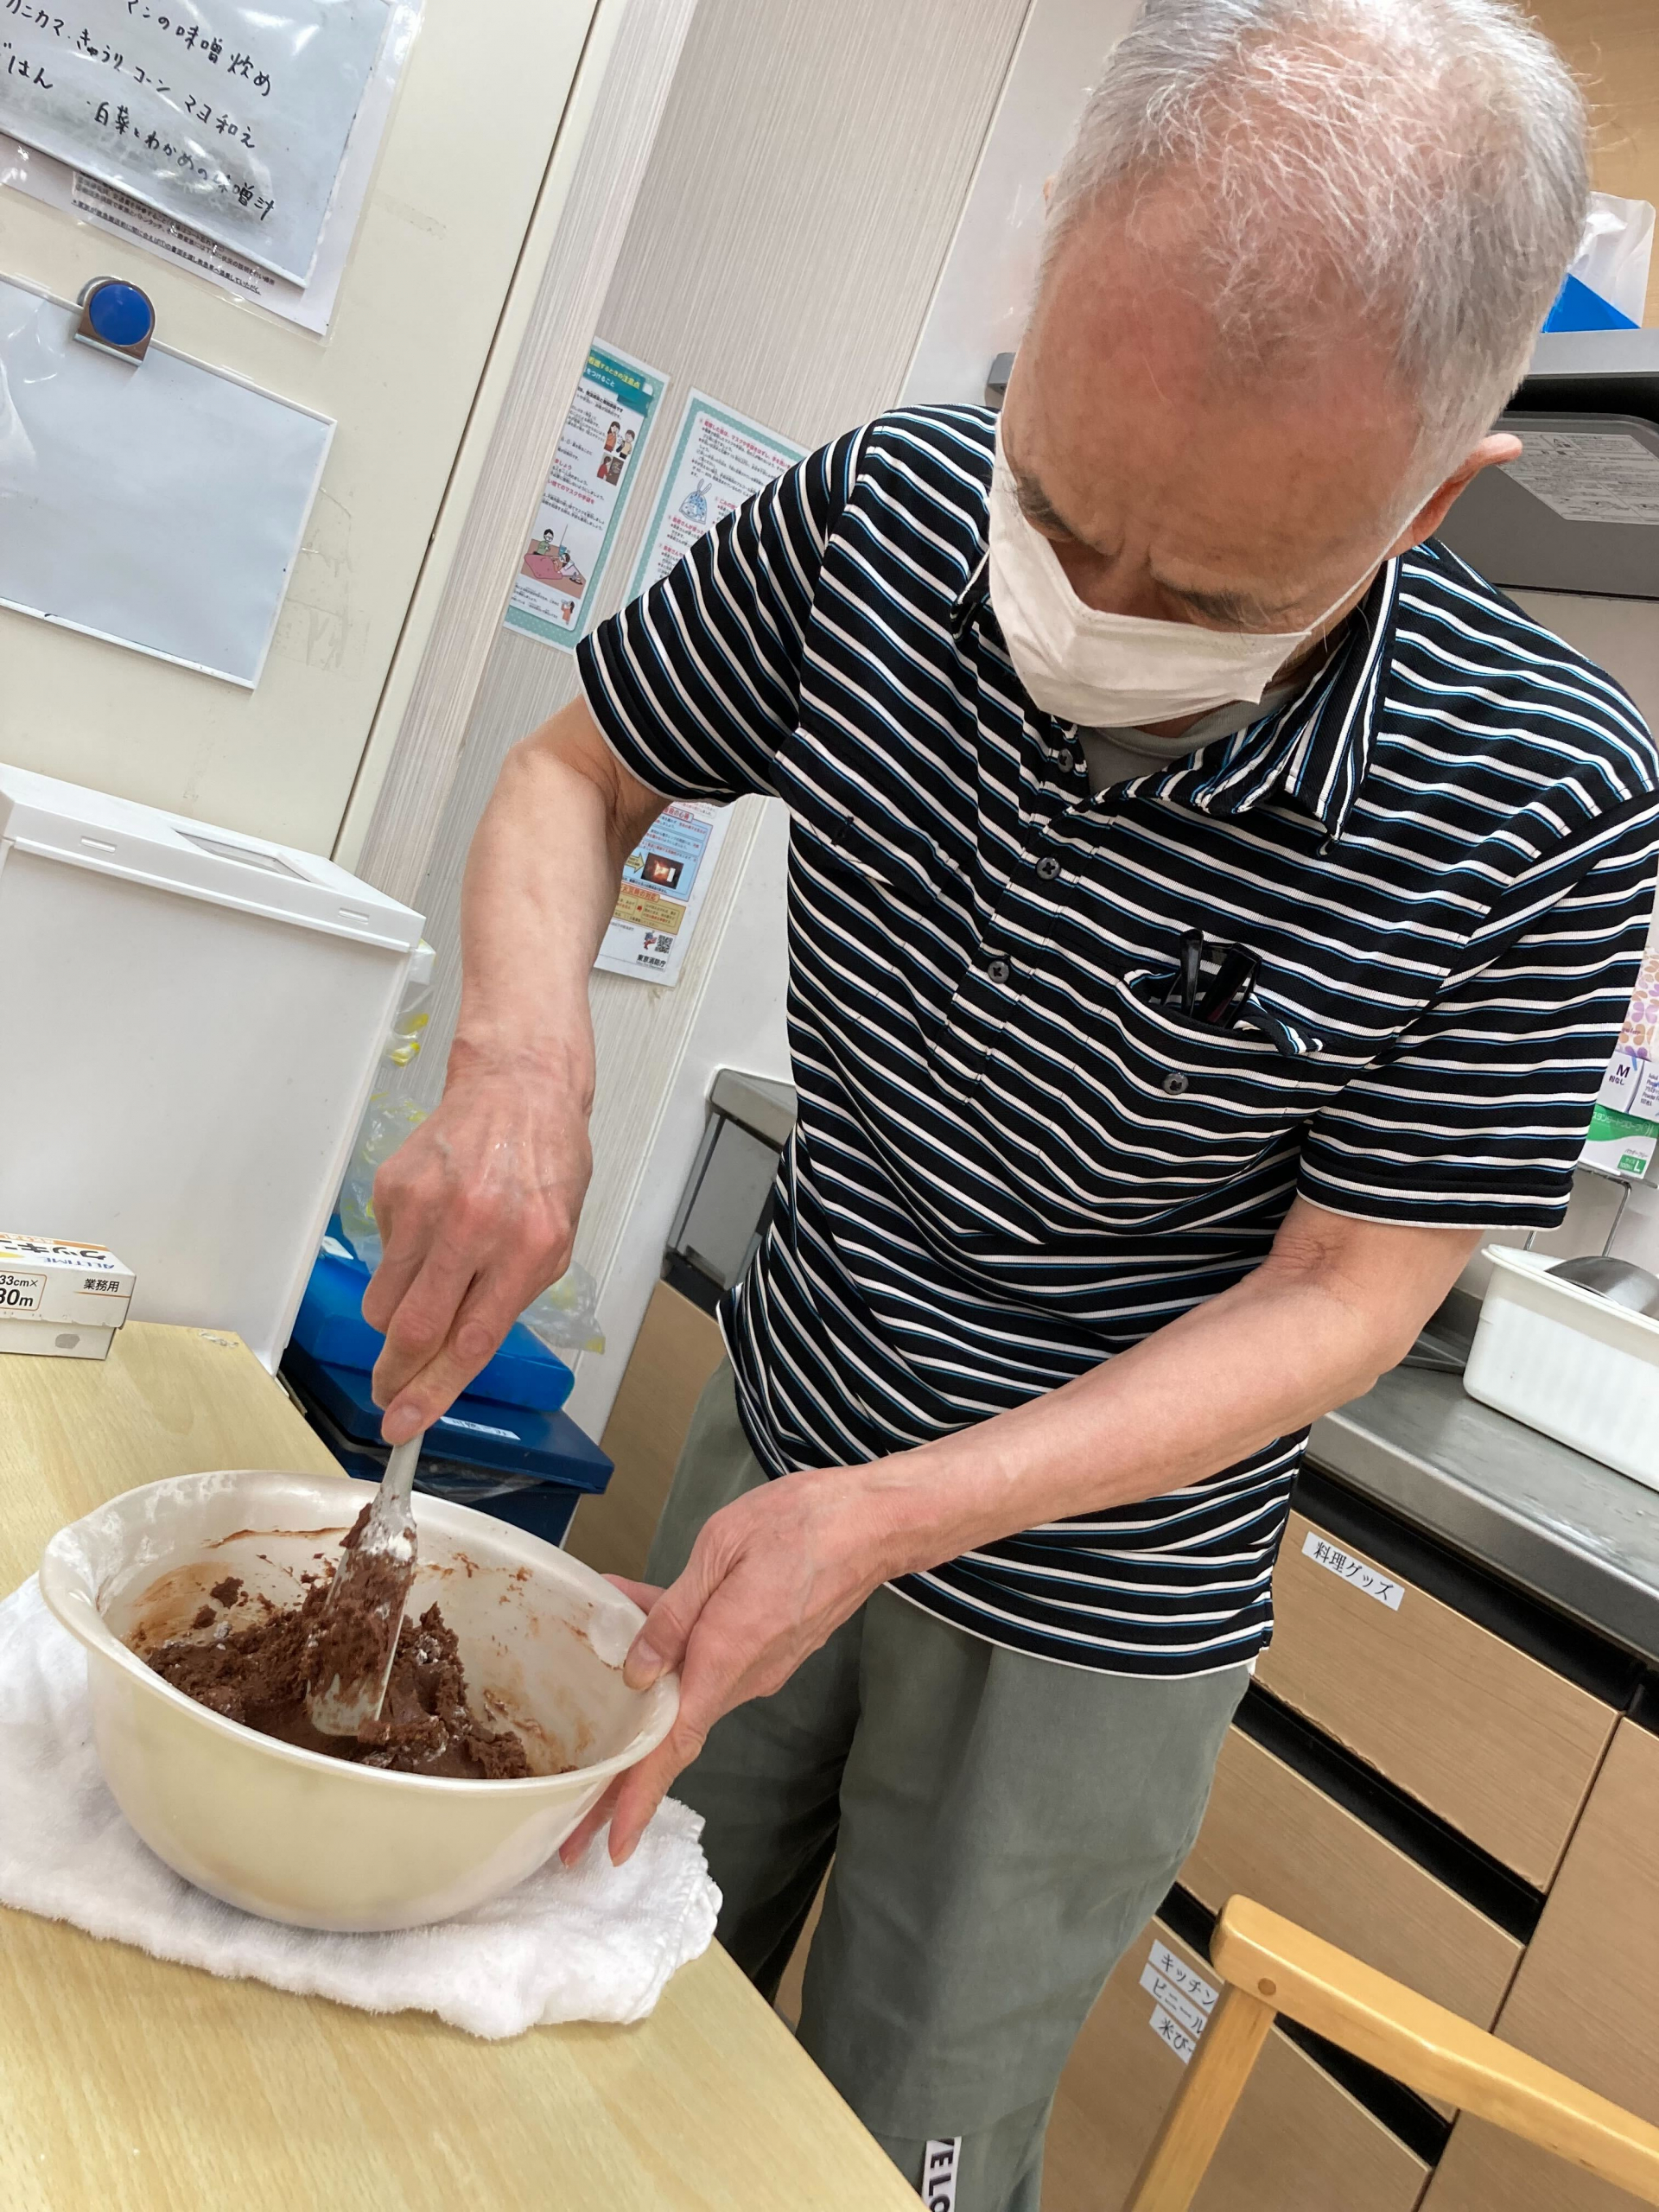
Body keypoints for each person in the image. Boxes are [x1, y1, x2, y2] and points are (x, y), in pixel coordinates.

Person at [363, 3, 1659, 2206]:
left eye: (1217, 592)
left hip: (1100, 1591)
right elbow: (579, 773)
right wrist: (519, 1060)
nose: (1095, 615)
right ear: (1045, 279)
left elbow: (1347, 1296)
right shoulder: (887, 506)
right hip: (788, 1420)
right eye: (1056, 512)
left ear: (1437, 493)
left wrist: (900, 1512)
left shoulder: (1546, 789)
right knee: (577, 1985)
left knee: (904, 2143)